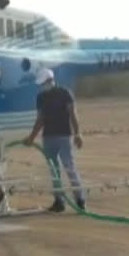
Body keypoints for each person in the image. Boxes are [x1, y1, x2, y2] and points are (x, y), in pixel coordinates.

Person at [24, 67, 85, 212]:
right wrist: (32, 137)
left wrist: (77, 134)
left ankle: (80, 200)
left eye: (44, 82)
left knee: (69, 167)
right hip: (48, 137)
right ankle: (59, 201)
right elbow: (40, 119)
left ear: (51, 80)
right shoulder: (41, 97)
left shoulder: (65, 93)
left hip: (64, 136)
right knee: (54, 170)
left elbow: (73, 114)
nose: (42, 86)